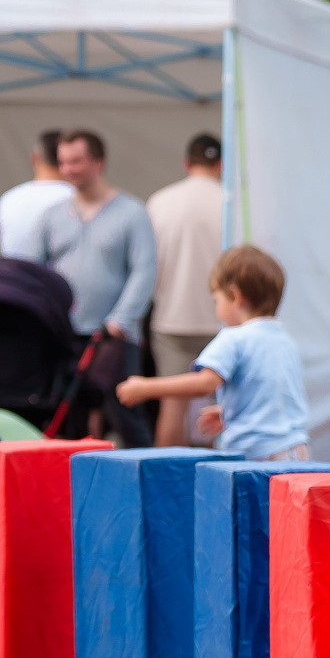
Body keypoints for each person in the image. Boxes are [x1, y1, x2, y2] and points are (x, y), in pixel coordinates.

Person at [117, 245, 310, 461]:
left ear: (235, 296)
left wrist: (146, 388)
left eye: (216, 299)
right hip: (295, 450)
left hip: (257, 455)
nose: (216, 307)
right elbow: (272, 393)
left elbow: (205, 383)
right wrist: (230, 412)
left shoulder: (233, 338)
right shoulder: (284, 339)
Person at [20, 130, 156, 344]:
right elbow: (32, 269)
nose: (67, 169)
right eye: (62, 162)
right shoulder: (52, 215)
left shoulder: (132, 213)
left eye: (75, 162)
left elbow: (144, 270)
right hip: (60, 333)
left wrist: (120, 320)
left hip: (112, 338)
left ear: (98, 163)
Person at [146, 133, 225, 446]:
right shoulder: (230, 200)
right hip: (220, 320)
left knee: (172, 403)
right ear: (220, 164)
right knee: (219, 407)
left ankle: (166, 482)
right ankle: (212, 479)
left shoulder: (160, 202)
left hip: (171, 318)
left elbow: (149, 265)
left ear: (186, 162)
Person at [0, 129, 74, 257]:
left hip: (14, 275)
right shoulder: (78, 199)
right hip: (58, 276)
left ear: (35, 157)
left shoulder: (9, 199)